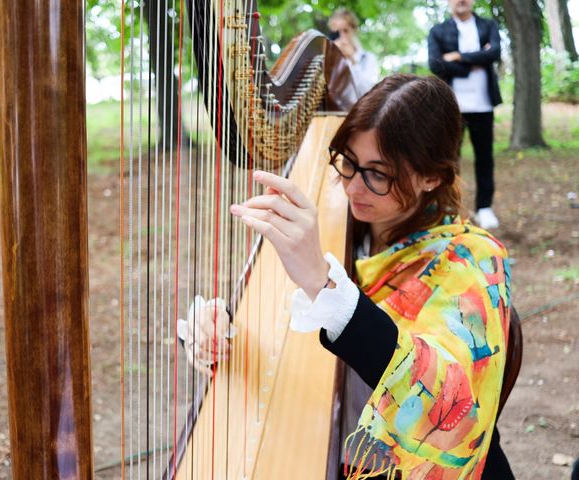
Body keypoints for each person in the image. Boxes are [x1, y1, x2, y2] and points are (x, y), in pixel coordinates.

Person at [186, 74, 514, 478]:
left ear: (432, 177)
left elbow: (446, 408)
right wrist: (224, 332)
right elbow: (289, 334)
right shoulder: (341, 228)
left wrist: (323, 284)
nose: (352, 187)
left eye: (378, 173)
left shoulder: (471, 260)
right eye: (348, 162)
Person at [428, 0, 502, 230]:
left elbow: (495, 53)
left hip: (483, 104)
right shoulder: (438, 30)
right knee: (448, 159)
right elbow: (435, 62)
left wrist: (458, 57)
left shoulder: (488, 25)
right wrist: (478, 58)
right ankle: (448, 206)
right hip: (451, 106)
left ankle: (484, 207)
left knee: (485, 158)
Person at [328, 8, 378, 98]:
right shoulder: (326, 59)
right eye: (337, 32)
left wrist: (352, 61)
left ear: (354, 30)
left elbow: (368, 93)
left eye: (345, 31)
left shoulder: (368, 58)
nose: (342, 36)